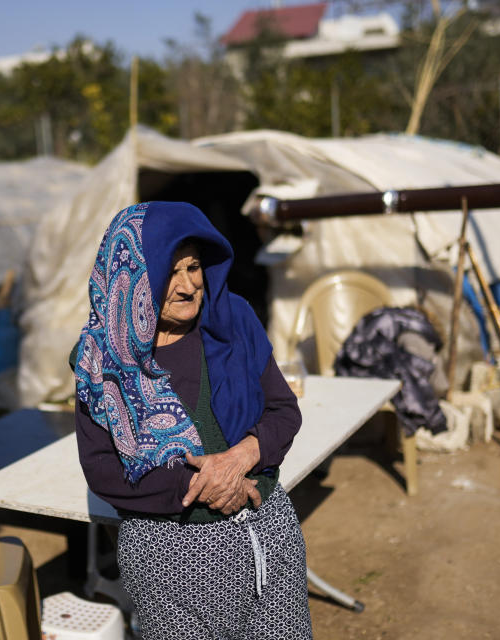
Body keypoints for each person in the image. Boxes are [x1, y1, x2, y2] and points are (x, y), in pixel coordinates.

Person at [73, 201, 313, 639]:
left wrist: (239, 458)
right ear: (136, 277)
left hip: (265, 535)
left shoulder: (232, 319)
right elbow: (101, 469)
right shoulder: (104, 359)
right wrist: (200, 486)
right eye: (172, 271)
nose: (188, 286)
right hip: (169, 559)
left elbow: (282, 410)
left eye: (195, 267)